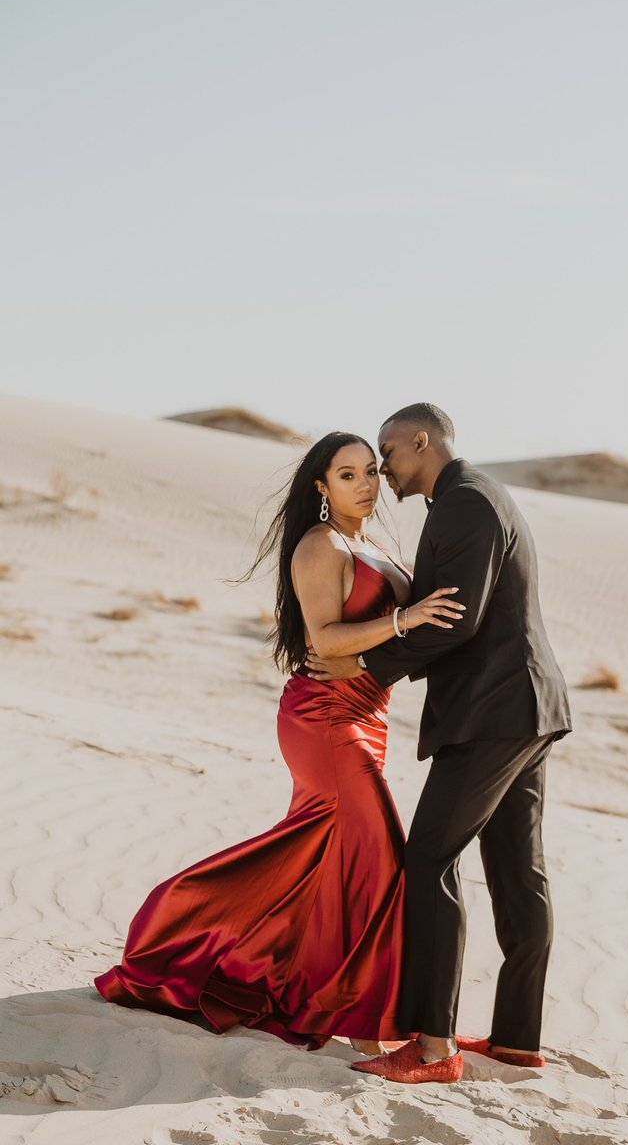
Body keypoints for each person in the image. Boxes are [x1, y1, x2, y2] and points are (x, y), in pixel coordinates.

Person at [94, 431, 464, 1054]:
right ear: (321, 488)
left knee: (319, 853)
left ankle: (247, 962)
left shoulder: (370, 543)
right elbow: (324, 640)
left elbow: (384, 644)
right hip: (325, 716)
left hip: (369, 715)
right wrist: (406, 618)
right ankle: (356, 1012)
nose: (367, 484)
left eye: (372, 471)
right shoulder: (319, 546)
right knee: (379, 858)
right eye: (348, 476)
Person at [307, 404, 572, 1084]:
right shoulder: (481, 495)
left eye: (388, 456)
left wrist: (364, 668)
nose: (383, 472)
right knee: (518, 873)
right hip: (527, 706)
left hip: (493, 712)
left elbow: (454, 619)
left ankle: (431, 1049)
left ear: (420, 442)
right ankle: (517, 1039)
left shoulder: (462, 503)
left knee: (427, 862)